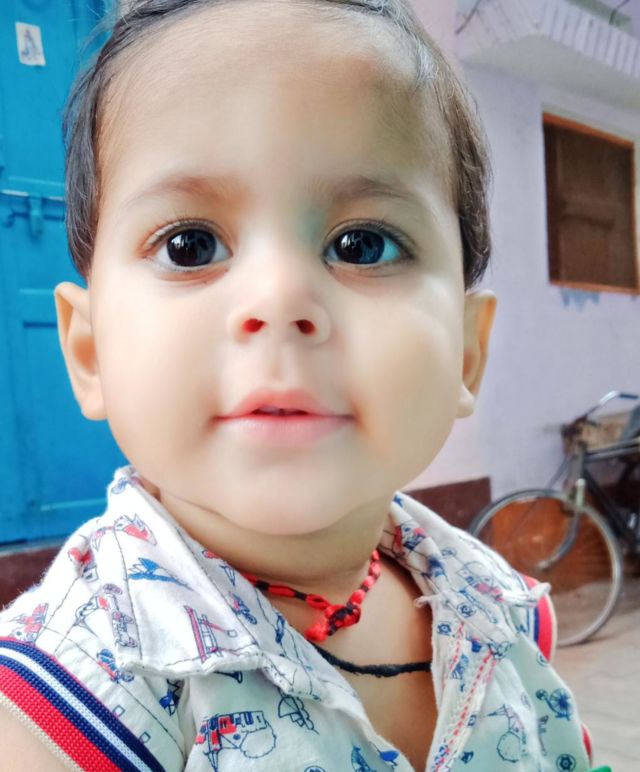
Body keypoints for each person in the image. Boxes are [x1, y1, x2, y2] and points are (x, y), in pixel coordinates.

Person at [0, 1, 593, 769]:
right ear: (89, 352)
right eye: (190, 245)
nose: (279, 299)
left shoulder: (504, 617)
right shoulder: (63, 707)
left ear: (465, 354)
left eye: (363, 244)